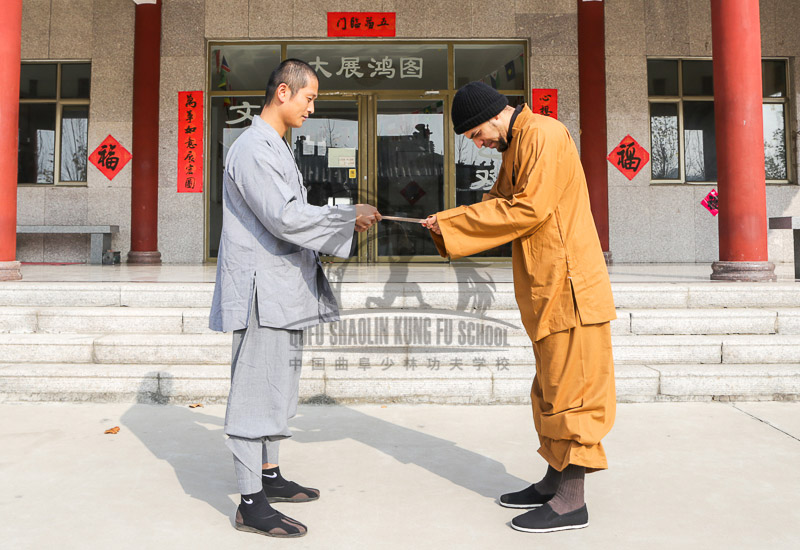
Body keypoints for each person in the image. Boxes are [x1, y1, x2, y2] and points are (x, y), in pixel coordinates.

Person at [423, 81, 616, 533]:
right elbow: (500, 202)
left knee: (574, 394)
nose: (479, 145)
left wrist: (452, 222)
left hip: (570, 289)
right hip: (547, 289)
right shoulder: (519, 144)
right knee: (550, 388)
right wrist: (445, 221)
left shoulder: (543, 134)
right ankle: (553, 481)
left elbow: (526, 208)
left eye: (475, 135)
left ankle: (572, 501)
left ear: (491, 117)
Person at [209, 59, 380, 538]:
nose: (312, 107)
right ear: (283, 92)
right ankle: (249, 502)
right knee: (255, 389)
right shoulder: (251, 149)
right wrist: (346, 217)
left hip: (283, 287)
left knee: (278, 386)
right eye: (309, 98)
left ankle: (269, 476)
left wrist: (344, 217)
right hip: (264, 292)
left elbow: (295, 212)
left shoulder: (274, 147)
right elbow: (285, 218)